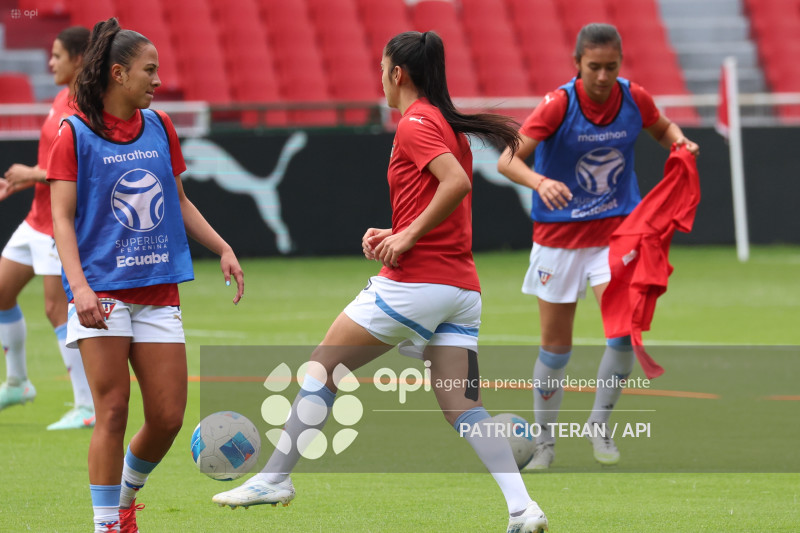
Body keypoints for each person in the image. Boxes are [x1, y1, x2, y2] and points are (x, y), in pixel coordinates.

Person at [212, 31, 548, 533]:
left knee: (322, 366)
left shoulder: (416, 122)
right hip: (461, 292)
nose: (380, 79)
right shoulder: (445, 123)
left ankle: (275, 478)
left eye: (382, 69)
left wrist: (408, 235)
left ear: (398, 74)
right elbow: (444, 196)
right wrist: (397, 231)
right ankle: (524, 510)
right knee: (463, 407)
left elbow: (457, 182)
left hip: (416, 287)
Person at [47, 18, 244, 533]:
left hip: (158, 290)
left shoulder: (159, 127)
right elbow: (60, 220)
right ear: (118, 73)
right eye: (149, 70)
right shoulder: (75, 133)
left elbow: (177, 201)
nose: (158, 80)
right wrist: (81, 288)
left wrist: (222, 245)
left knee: (168, 417)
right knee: (112, 412)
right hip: (102, 292)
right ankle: (107, 523)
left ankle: (128, 493)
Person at [497, 23, 699, 470]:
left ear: (620, 63)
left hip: (615, 237)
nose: (604, 77)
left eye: (611, 67)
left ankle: (600, 424)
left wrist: (682, 144)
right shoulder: (557, 105)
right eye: (594, 68)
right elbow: (508, 159)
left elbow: (664, 128)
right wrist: (540, 181)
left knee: (624, 334)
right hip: (559, 241)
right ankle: (545, 445)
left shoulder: (635, 98)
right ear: (577, 65)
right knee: (555, 348)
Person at [0, 26, 97, 430]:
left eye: (57, 55)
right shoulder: (60, 96)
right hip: (35, 219)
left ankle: (86, 406)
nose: (50, 62)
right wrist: (21, 179)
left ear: (78, 59)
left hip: (59, 223)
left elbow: (76, 169)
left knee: (58, 309)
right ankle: (19, 382)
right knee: (2, 292)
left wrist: (30, 172)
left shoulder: (86, 108)